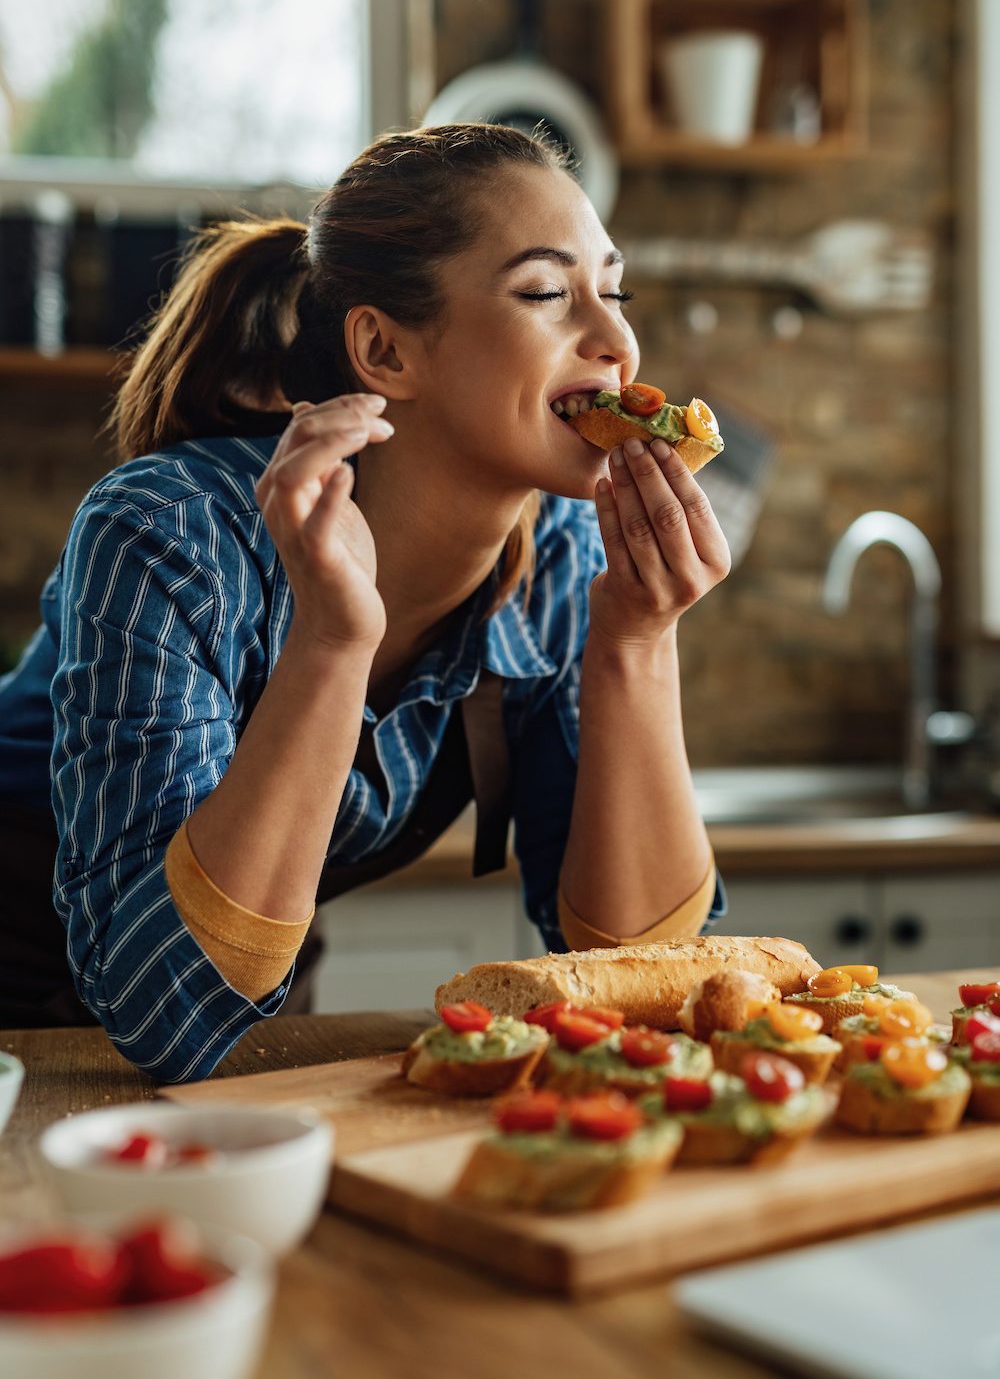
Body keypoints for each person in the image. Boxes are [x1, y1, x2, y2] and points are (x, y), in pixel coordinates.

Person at [0, 125, 730, 1080]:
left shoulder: (560, 558)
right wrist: (333, 642)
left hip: (245, 989)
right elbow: (161, 1010)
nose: (617, 342)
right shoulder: (169, 534)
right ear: (384, 350)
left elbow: (646, 981)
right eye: (546, 293)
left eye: (614, 291)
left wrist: (639, 641)